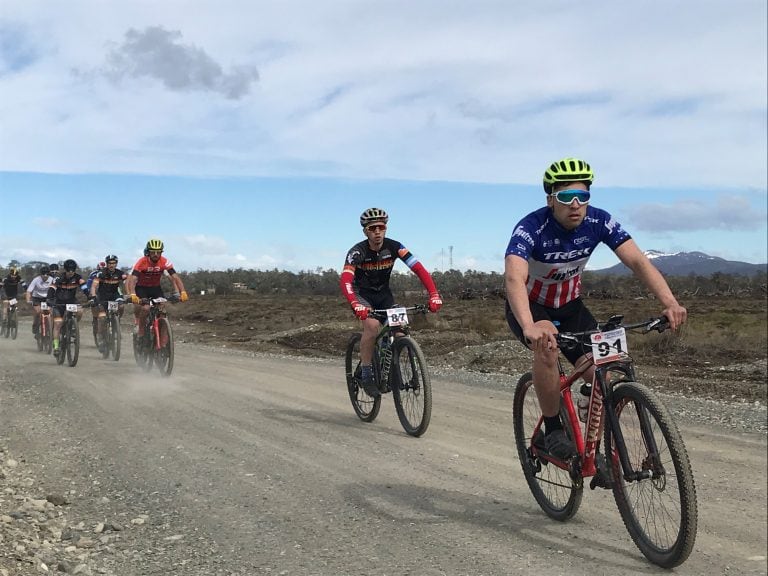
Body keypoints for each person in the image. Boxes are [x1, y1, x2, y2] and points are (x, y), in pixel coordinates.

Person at [504, 157, 687, 461]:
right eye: (566, 197)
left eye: (583, 197)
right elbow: (513, 276)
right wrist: (530, 325)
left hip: (571, 307)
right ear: (551, 199)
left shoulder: (598, 221)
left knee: (605, 369)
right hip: (532, 306)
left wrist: (670, 303)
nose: (575, 204)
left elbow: (638, 261)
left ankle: (593, 440)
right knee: (547, 349)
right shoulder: (531, 227)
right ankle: (552, 430)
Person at [340, 208, 443, 397]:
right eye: (372, 228)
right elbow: (346, 279)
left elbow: (419, 269)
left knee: (400, 328)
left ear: (385, 228)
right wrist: (355, 304)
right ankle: (367, 373)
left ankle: (393, 369)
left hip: (384, 295)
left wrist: (434, 294)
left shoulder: (394, 247)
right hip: (362, 295)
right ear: (365, 231)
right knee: (372, 327)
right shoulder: (357, 252)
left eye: (381, 227)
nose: (377, 231)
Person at [124, 239, 188, 339]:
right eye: (153, 252)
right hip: (142, 288)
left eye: (158, 252)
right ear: (148, 252)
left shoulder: (164, 261)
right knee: (145, 308)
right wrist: (132, 294)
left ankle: (163, 338)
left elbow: (175, 277)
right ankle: (141, 329)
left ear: (161, 252)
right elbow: (133, 279)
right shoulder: (142, 262)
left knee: (162, 309)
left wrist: (182, 291)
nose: (155, 254)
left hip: (155, 288)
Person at [46, 259, 89, 356]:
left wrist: (90, 297)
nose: (71, 272)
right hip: (59, 303)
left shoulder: (78, 278)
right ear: (65, 270)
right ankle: (56, 347)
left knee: (80, 311)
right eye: (69, 270)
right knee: (57, 324)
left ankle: (73, 326)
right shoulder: (58, 278)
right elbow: (52, 288)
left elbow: (84, 288)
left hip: (71, 301)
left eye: (72, 270)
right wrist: (49, 299)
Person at [90, 255, 128, 352]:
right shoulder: (101, 273)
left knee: (121, 305)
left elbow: (126, 282)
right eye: (110, 263)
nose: (112, 265)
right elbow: (94, 286)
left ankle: (117, 321)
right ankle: (101, 338)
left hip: (115, 295)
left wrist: (130, 294)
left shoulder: (120, 273)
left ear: (116, 264)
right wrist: (93, 296)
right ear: (107, 264)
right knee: (102, 318)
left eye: (114, 263)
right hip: (102, 297)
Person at [26, 265, 56, 338]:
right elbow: (29, 291)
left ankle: (50, 329)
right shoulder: (36, 280)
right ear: (41, 274)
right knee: (38, 312)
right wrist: (28, 300)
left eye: (47, 274)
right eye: (43, 274)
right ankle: (35, 326)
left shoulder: (52, 279)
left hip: (48, 298)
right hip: (37, 298)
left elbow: (57, 290)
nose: (45, 276)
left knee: (51, 313)